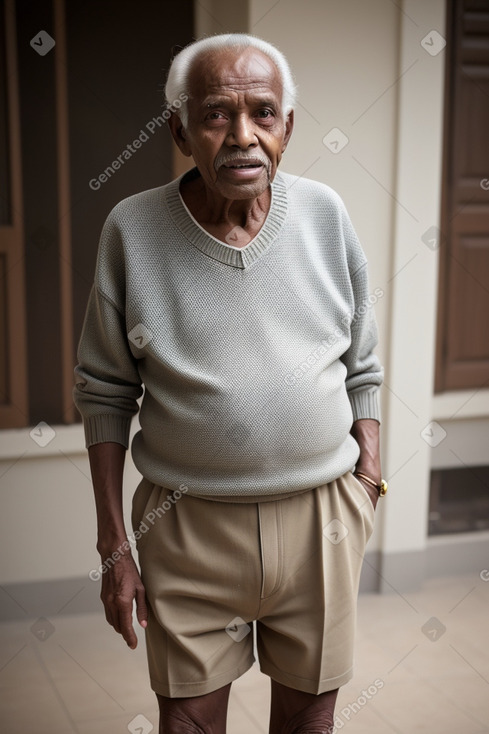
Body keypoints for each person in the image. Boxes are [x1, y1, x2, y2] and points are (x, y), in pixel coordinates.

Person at [74, 32, 386, 734]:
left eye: (263, 114)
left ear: (287, 128)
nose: (242, 136)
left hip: (322, 520)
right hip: (185, 526)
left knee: (310, 723)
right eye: (216, 114)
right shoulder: (132, 229)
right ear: (180, 129)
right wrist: (113, 546)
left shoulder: (325, 216)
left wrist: (367, 478)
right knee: (187, 725)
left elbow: (362, 362)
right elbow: (103, 393)